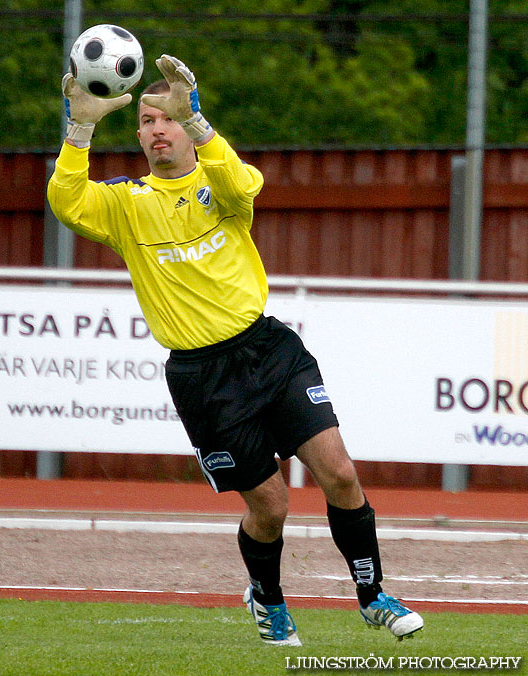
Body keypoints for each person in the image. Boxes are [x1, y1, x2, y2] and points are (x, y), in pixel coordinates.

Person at [47, 54, 424, 646]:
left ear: (186, 123)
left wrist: (200, 123)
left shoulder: (221, 187)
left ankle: (373, 596)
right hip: (203, 376)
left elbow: (245, 183)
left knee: (341, 475)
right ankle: (268, 601)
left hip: (270, 351)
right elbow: (67, 202)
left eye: (167, 117)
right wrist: (80, 128)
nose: (156, 129)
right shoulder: (125, 204)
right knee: (271, 507)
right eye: (145, 120)